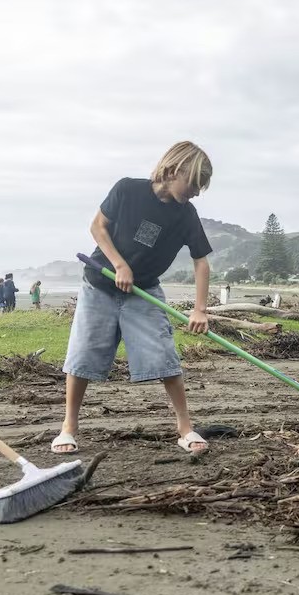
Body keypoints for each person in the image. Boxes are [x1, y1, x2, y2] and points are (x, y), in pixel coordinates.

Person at [50, 141, 214, 457]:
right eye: (194, 183)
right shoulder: (127, 190)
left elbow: (201, 262)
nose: (196, 192)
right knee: (83, 354)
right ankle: (68, 427)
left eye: (201, 187)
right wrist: (119, 264)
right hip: (99, 286)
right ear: (175, 170)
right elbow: (98, 227)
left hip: (144, 291)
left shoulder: (185, 214)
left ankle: (185, 428)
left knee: (164, 356)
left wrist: (200, 309)